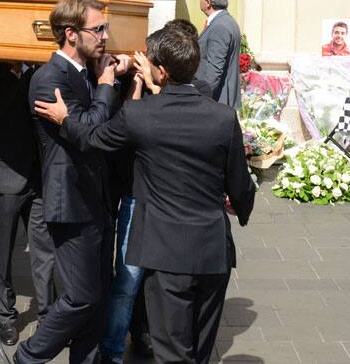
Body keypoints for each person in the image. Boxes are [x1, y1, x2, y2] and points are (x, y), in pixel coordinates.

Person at [35, 27, 255, 364]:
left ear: (162, 71)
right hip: (213, 250)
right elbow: (241, 185)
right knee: (201, 347)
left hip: (165, 252)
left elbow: (93, 139)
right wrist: (238, 207)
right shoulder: (223, 117)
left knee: (171, 351)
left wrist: (66, 119)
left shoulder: (140, 115)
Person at [18, 0, 128, 364]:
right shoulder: (49, 79)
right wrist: (107, 83)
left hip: (95, 198)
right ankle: (28, 356)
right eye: (97, 29)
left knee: (98, 297)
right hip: (70, 202)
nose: (105, 36)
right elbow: (91, 131)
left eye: (105, 27)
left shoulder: (86, 72)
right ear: (70, 34)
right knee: (81, 296)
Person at [0, 61, 56, 345]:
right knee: (2, 252)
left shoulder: (43, 72)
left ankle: (48, 316)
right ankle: (6, 316)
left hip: (38, 176)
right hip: (5, 176)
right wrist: (19, 75)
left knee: (44, 251)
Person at [195, 0, 242, 108]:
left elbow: (214, 70)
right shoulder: (227, 21)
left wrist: (199, 99)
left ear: (208, 2)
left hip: (218, 101)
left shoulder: (219, 26)